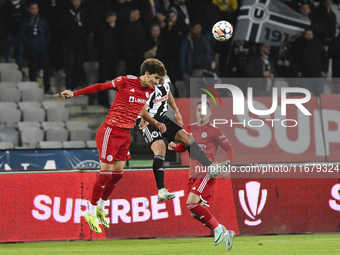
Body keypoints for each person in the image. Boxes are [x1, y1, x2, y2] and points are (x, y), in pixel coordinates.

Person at [60, 58, 167, 234]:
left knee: (117, 175)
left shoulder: (150, 90)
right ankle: (91, 211)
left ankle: (101, 208)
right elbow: (100, 87)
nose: (157, 82)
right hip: (110, 131)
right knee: (105, 174)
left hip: (125, 134)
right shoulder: (125, 81)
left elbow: (141, 111)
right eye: (155, 78)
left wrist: (155, 122)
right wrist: (75, 93)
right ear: (146, 73)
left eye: (159, 80)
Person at [137, 76, 231, 202]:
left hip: (161, 117)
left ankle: (210, 167)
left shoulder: (165, 79)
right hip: (147, 120)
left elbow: (168, 92)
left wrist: (176, 110)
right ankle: (161, 191)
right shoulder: (145, 84)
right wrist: (153, 122)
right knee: (160, 148)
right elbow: (141, 108)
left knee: (187, 137)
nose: (159, 81)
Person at [168, 99, 235, 251]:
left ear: (210, 113)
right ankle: (225, 232)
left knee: (191, 203)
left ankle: (218, 228)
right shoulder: (190, 128)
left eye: (204, 111)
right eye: (199, 110)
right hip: (193, 174)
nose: (202, 114)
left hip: (207, 172)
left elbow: (229, 148)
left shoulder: (214, 130)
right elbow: (183, 147)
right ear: (196, 112)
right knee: (194, 212)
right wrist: (175, 147)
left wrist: (228, 166)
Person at [20, 1, 52, 93]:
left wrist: (45, 42)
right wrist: (29, 44)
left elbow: (48, 33)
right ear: (29, 9)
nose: (35, 10)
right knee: (32, 67)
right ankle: (33, 87)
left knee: (47, 67)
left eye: (36, 8)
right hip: (32, 48)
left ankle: (47, 87)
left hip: (42, 47)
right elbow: (22, 35)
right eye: (33, 9)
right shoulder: (26, 21)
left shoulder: (43, 20)